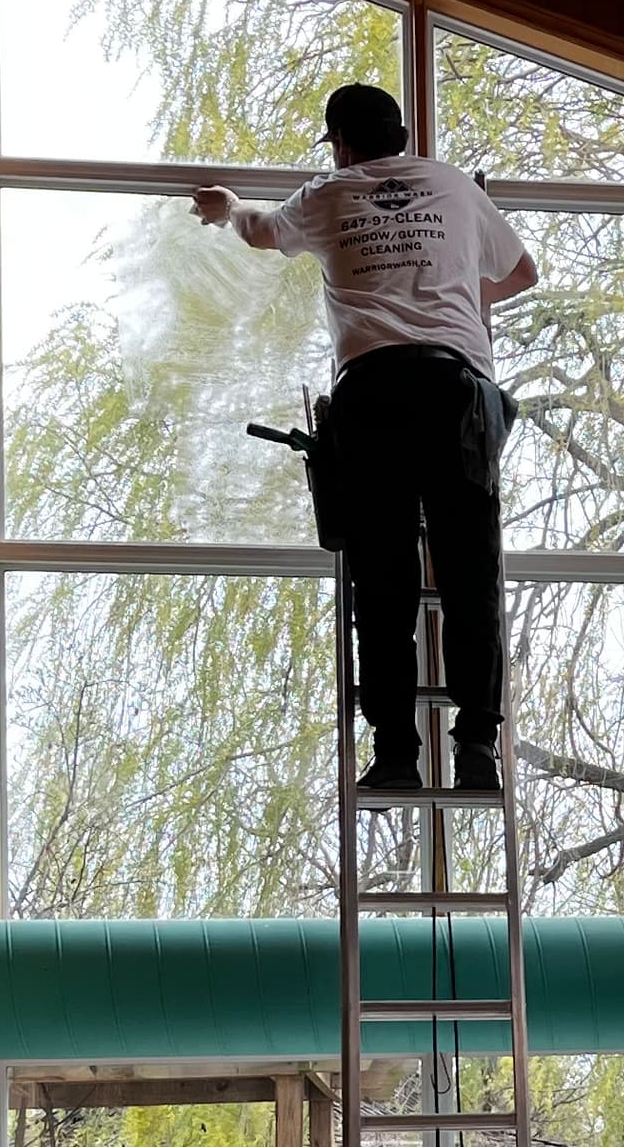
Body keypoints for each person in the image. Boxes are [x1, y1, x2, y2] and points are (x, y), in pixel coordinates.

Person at [194, 84, 537, 794]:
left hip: (373, 394)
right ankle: (476, 746)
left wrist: (226, 207)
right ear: (403, 135)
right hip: (456, 394)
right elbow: (523, 274)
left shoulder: (329, 193)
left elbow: (260, 231)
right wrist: (454, 295)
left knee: (383, 586)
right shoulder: (452, 187)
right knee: (471, 576)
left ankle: (396, 756)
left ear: (341, 144)